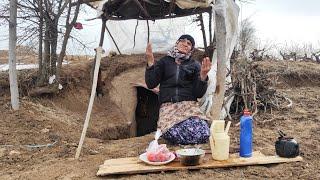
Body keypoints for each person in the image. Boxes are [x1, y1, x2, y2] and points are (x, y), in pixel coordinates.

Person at [145, 34, 212, 145]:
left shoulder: (195, 65)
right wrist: (151, 63)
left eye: (189, 43)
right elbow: (151, 83)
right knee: (171, 132)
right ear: (177, 43)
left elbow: (198, 93)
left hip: (188, 106)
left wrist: (203, 76)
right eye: (182, 41)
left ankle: (187, 140)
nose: (185, 44)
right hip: (169, 106)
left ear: (192, 49)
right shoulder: (164, 61)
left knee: (203, 132)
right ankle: (189, 140)